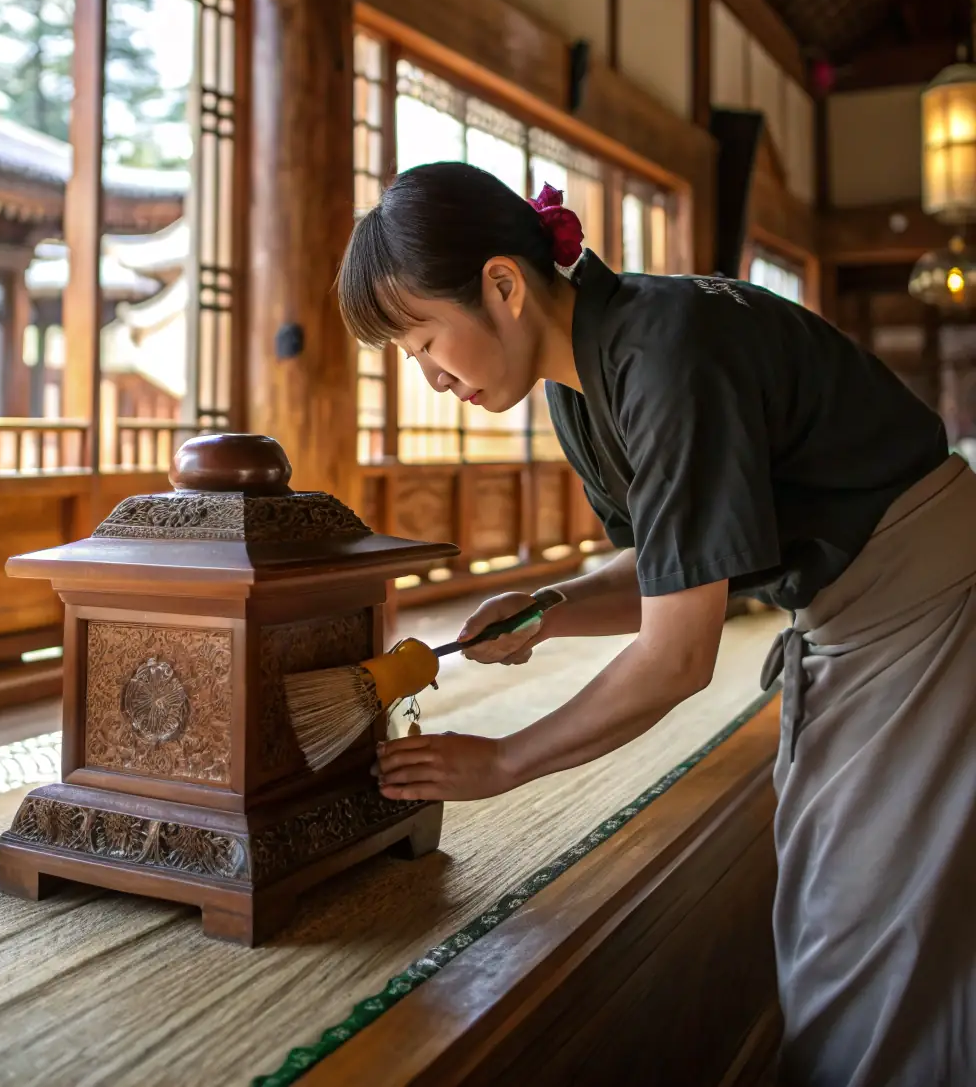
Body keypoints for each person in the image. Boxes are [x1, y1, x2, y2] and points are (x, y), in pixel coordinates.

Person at [338, 161, 976, 1087]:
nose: (432, 377)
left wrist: (508, 759)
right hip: (861, 613)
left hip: (924, 603)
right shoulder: (578, 384)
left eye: (426, 339)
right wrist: (549, 611)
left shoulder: (668, 348)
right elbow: (677, 562)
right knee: (852, 910)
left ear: (504, 286)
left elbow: (679, 653)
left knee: (870, 926)